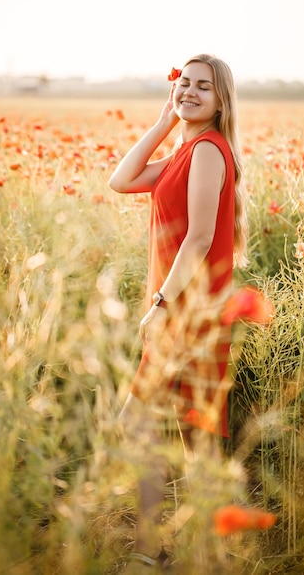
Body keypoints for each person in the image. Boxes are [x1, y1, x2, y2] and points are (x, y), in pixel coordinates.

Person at [108, 53, 248, 571]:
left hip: (187, 312)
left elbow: (200, 238)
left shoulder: (209, 151)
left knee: (142, 423)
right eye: (183, 83)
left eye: (202, 87)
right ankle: (203, 550)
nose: (189, 91)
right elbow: (121, 180)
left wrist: (162, 305)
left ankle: (151, 549)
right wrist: (165, 121)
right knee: (193, 437)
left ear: (220, 101)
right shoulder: (188, 150)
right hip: (183, 310)